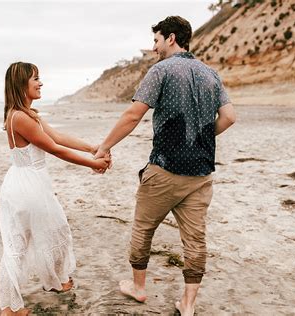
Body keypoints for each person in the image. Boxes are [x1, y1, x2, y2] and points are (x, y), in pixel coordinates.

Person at [94, 16, 236, 316]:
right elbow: (229, 117)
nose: (154, 47)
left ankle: (139, 287)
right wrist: (201, 137)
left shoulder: (161, 70)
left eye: (156, 40)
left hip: (165, 169)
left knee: (143, 228)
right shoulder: (211, 74)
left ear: (171, 38)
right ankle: (187, 304)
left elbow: (133, 115)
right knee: (195, 240)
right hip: (201, 173)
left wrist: (104, 147)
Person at [0, 61, 110, 316]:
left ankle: (56, 281)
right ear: (20, 84)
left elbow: (58, 138)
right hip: (26, 188)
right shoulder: (19, 117)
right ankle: (8, 309)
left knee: (54, 230)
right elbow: (55, 149)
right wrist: (93, 164)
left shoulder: (28, 114)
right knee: (18, 244)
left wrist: (92, 148)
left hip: (31, 185)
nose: (40, 83)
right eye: (35, 78)